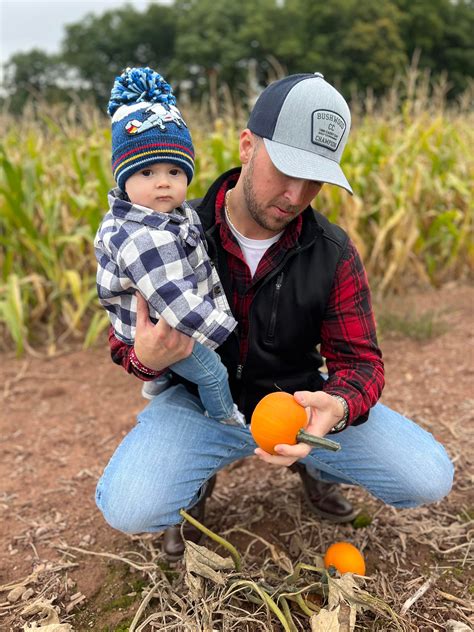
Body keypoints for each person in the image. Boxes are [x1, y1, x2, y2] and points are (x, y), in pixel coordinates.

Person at [96, 71, 454, 562]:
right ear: (247, 146)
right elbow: (124, 342)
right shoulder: (171, 234)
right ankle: (197, 476)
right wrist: (146, 357)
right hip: (200, 406)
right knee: (132, 509)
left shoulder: (332, 252)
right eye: (285, 169)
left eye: (315, 180)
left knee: (426, 477)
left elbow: (362, 363)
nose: (295, 194)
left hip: (297, 408)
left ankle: (318, 467)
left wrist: (337, 409)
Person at [94, 66, 245, 426]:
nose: (163, 183)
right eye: (147, 173)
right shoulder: (143, 238)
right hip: (165, 326)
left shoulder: (171, 214)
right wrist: (223, 328)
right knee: (214, 374)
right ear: (124, 178)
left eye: (174, 172)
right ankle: (225, 420)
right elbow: (174, 298)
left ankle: (160, 381)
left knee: (190, 369)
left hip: (165, 318)